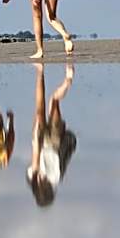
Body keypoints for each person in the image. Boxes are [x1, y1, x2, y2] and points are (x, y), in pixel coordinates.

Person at [27, 63, 76, 207]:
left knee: (52, 102)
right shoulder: (37, 178)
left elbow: (38, 158)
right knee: (42, 107)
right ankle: (40, 73)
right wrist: (37, 137)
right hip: (50, 143)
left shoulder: (55, 178)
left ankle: (66, 80)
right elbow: (36, 155)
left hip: (54, 142)